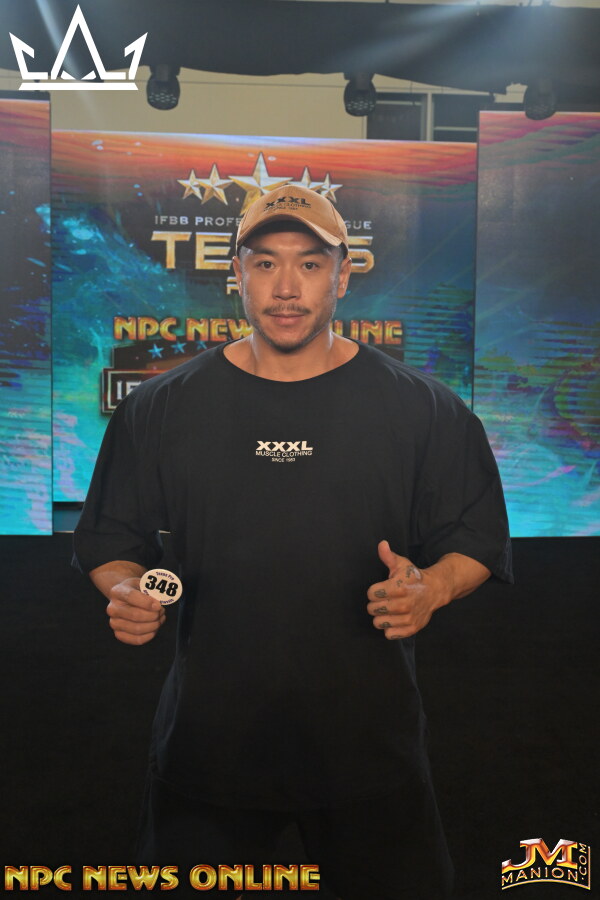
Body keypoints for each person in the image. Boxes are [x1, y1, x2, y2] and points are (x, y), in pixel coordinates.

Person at [74, 184, 513, 899]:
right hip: (210, 744)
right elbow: (110, 538)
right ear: (236, 274)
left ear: (343, 275)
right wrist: (124, 587)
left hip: (368, 747)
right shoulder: (161, 407)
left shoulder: (424, 409)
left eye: (310, 264)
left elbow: (476, 532)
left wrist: (431, 587)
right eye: (265, 263)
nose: (286, 287)